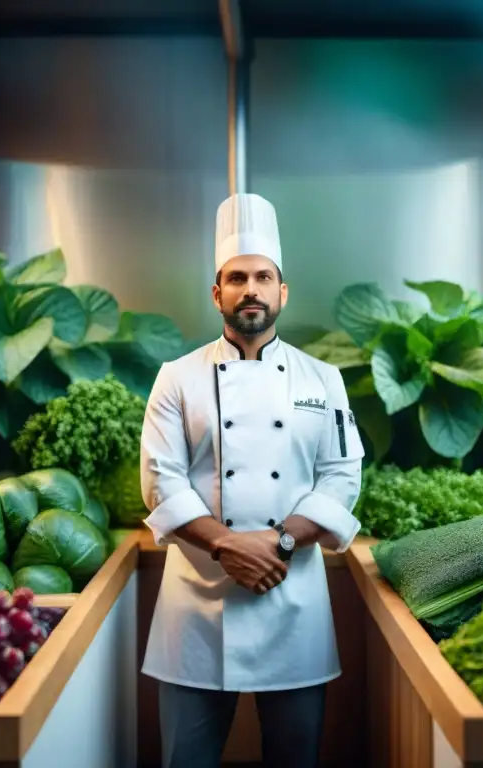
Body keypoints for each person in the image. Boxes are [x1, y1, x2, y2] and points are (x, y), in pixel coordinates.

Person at [139, 192, 365, 768]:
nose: (251, 289)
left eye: (264, 276)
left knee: (296, 758)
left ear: (282, 292)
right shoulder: (177, 378)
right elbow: (162, 481)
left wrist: (279, 542)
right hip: (197, 603)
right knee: (184, 759)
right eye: (236, 277)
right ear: (217, 292)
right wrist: (226, 544)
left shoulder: (324, 379)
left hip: (292, 597)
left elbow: (341, 478)